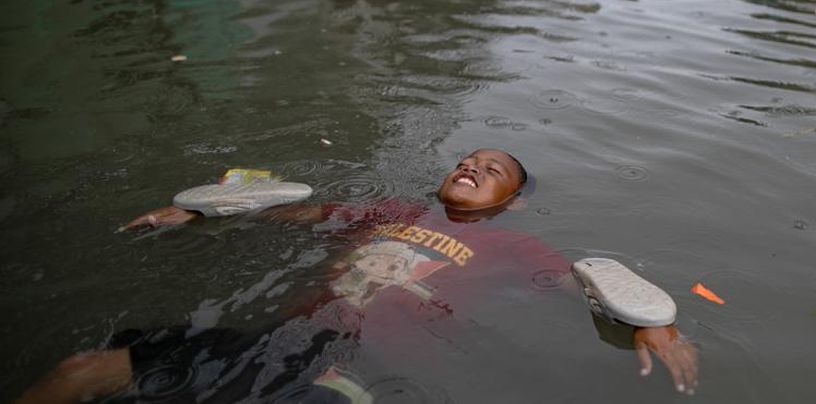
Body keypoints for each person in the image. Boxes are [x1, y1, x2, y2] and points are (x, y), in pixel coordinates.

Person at [17, 150, 698, 402]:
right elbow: (299, 211)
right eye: (466, 160)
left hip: (353, 368)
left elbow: (586, 287)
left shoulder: (517, 245)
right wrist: (197, 211)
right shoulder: (393, 210)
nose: (471, 168)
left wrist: (654, 327)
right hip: (280, 338)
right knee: (81, 371)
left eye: (491, 172)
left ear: (511, 201)